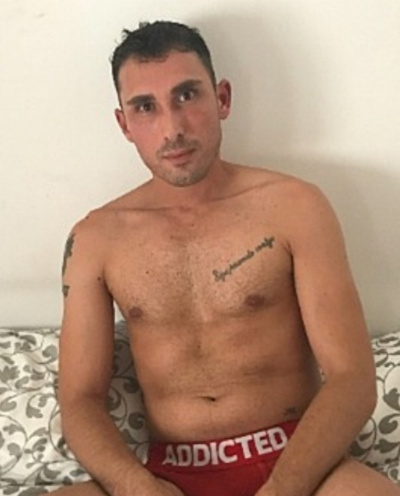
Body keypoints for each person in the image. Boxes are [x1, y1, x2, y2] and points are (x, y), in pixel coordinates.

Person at [55, 20, 400, 496]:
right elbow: (79, 398)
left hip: (296, 465)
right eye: (145, 107)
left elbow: (352, 378)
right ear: (124, 124)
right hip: (168, 476)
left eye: (186, 95)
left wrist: (283, 489)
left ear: (222, 98)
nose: (172, 128)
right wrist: (137, 487)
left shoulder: (295, 207)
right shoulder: (95, 239)